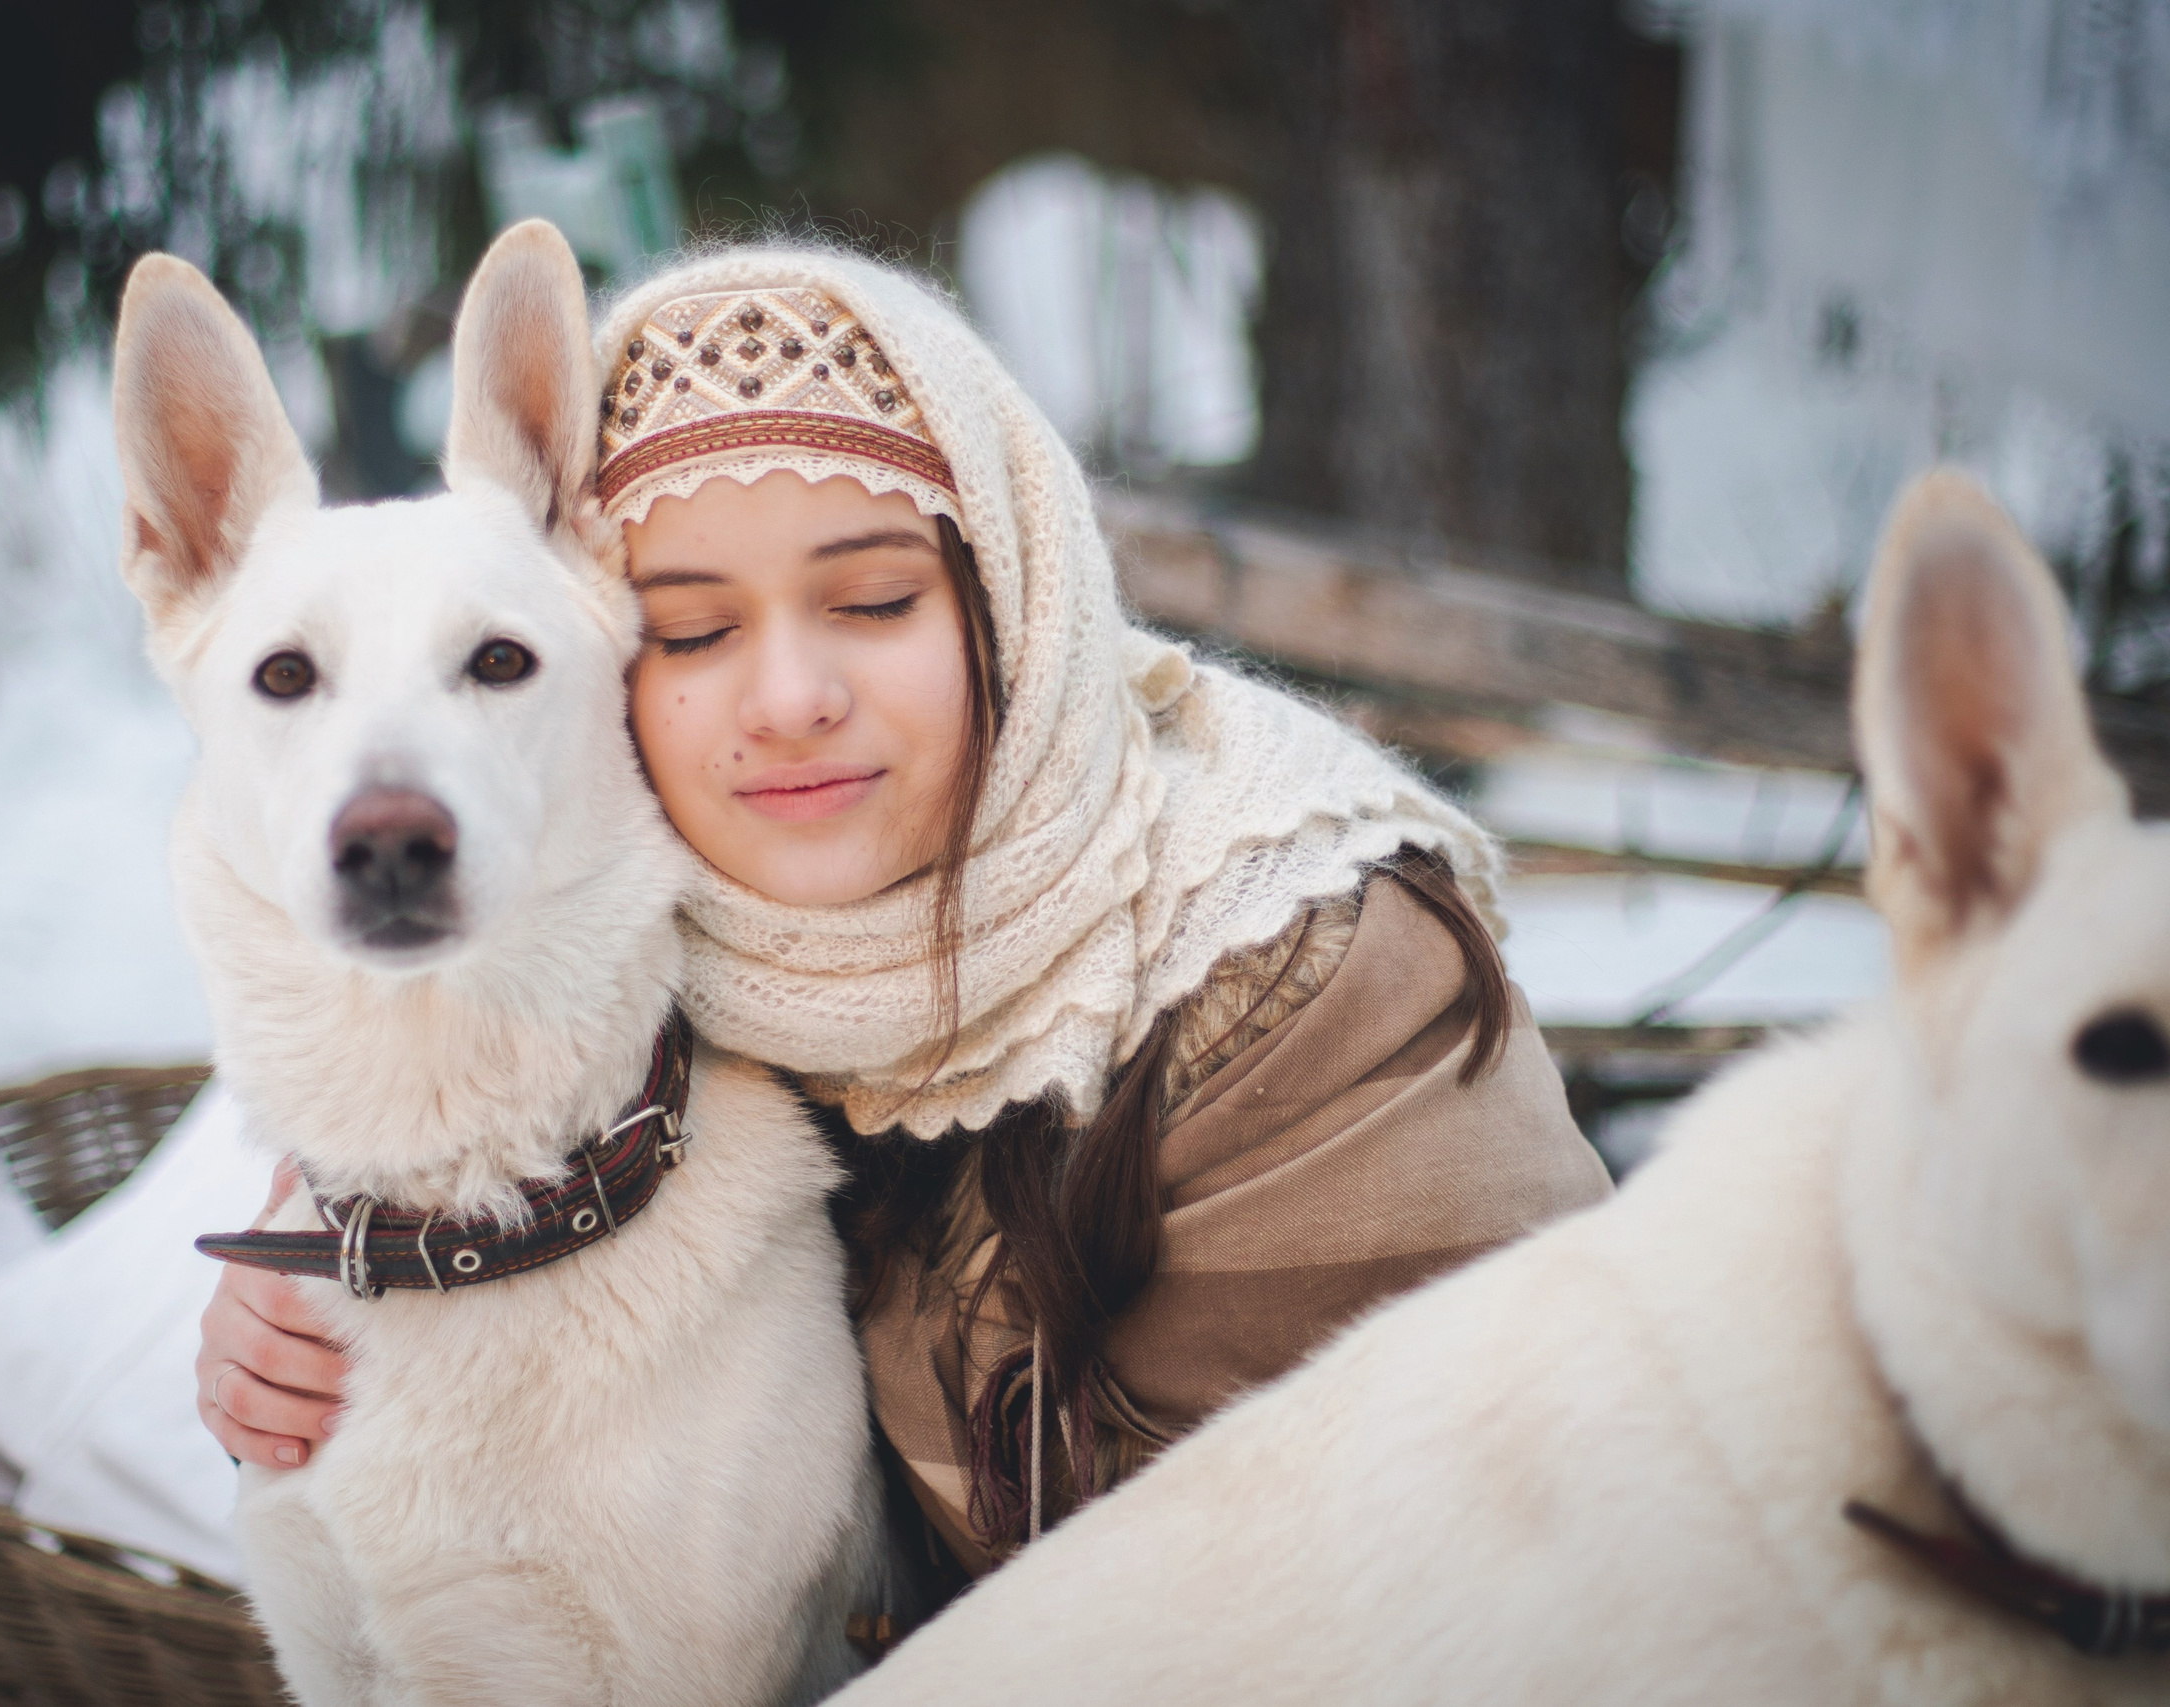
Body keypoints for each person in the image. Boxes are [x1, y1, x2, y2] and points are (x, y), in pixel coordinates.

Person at [195, 242, 1611, 1594]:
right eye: (692, 632)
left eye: (874, 600)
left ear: (1014, 601)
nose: (788, 699)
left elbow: (1435, 1577)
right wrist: (356, 1272)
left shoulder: (1310, 981)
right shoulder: (707, 971)